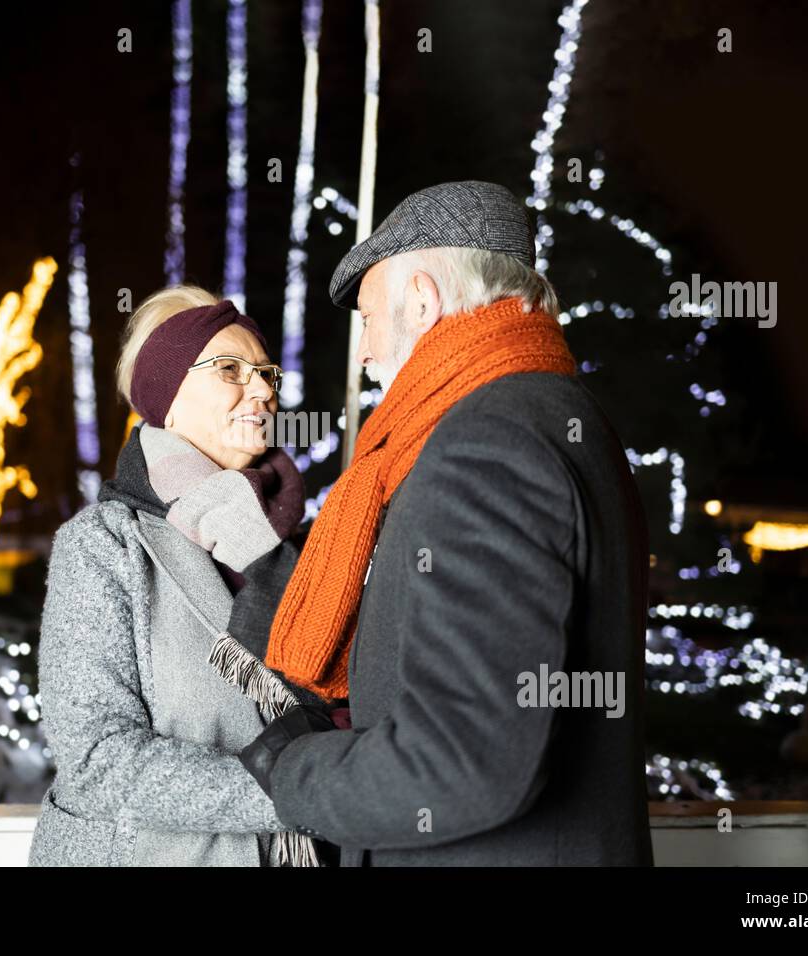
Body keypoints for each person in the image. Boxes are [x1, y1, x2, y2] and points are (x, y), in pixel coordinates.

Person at [238, 181, 655, 866]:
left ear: (423, 302)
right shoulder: (560, 414)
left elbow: (462, 761)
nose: (365, 351)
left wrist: (296, 768)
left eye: (369, 319)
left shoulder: (484, 444)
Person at [28, 287, 323, 866]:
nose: (262, 390)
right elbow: (96, 760)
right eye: (232, 370)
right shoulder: (104, 545)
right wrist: (305, 792)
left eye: (266, 373)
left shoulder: (300, 547)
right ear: (167, 394)